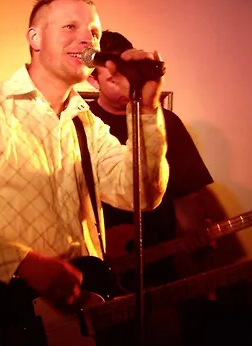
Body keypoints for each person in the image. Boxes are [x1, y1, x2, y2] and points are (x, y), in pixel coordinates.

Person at [0, 0, 169, 346]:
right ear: (34, 38)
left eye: (94, 32)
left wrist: (147, 107)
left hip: (72, 319)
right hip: (0, 319)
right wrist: (25, 263)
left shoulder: (86, 124)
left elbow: (141, 195)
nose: (87, 38)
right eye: (70, 27)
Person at [87, 30, 250, 346]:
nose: (124, 86)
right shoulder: (79, 125)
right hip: (95, 271)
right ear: (93, 81)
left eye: (127, 77)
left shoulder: (167, 122)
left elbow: (186, 192)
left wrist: (197, 234)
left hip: (158, 266)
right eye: (112, 80)